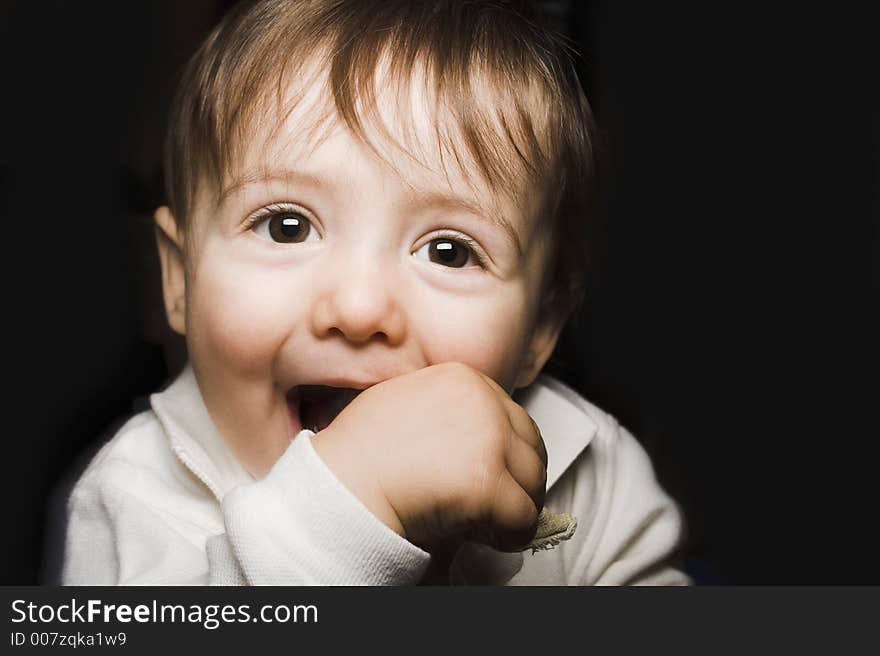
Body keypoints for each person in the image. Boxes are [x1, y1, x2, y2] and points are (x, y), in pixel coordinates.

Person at [62, 0, 689, 585]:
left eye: (449, 251)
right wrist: (345, 514)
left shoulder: (593, 475)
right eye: (287, 226)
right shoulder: (136, 495)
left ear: (542, 328)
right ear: (180, 275)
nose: (359, 310)